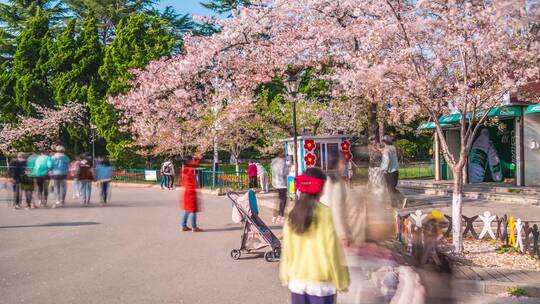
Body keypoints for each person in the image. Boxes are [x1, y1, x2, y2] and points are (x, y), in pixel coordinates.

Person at [280, 167, 350, 304]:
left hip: (297, 282)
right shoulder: (326, 214)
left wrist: (285, 274)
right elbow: (332, 251)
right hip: (321, 284)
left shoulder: (293, 214)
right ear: (322, 188)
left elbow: (287, 249)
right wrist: (341, 281)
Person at [320, 154, 350, 248]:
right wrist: (342, 234)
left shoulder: (329, 179)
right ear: (336, 164)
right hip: (332, 228)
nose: (344, 166)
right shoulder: (335, 182)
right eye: (342, 163)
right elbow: (336, 208)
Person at [180, 153, 203, 232]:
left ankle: (183, 226)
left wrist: (197, 158)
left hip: (186, 192)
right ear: (189, 161)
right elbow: (195, 164)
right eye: (191, 160)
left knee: (186, 209)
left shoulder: (184, 169)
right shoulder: (189, 169)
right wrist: (197, 158)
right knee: (193, 210)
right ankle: (194, 227)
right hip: (191, 192)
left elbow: (195, 163)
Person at [380, 135, 400, 207]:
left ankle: (399, 200)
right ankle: (395, 203)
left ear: (384, 142)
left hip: (389, 171)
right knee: (392, 188)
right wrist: (379, 149)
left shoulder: (386, 150)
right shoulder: (393, 148)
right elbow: (384, 150)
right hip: (395, 171)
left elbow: (387, 160)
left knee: (390, 189)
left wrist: (385, 169)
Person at [271, 153, 289, 223]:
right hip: (282, 184)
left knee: (277, 200)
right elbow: (284, 173)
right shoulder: (283, 162)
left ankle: (274, 216)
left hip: (275, 184)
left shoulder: (274, 162)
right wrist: (288, 166)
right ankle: (281, 216)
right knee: (283, 200)